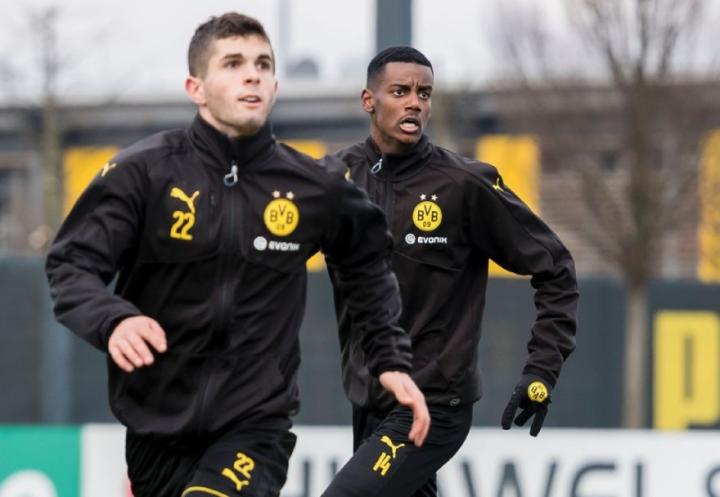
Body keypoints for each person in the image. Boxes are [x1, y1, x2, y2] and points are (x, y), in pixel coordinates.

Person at [45, 16, 429, 497]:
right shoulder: (143, 172)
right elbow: (71, 264)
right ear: (196, 88)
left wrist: (389, 358)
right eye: (233, 64)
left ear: (275, 86)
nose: (252, 75)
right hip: (154, 429)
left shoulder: (314, 186)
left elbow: (367, 265)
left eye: (263, 65)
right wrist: (113, 320)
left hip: (255, 425)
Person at [321, 47, 578, 497]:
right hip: (370, 400)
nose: (414, 103)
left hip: (435, 402)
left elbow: (556, 268)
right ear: (369, 100)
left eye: (424, 94)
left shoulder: (464, 184)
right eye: (400, 91)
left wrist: (542, 369)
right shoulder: (334, 180)